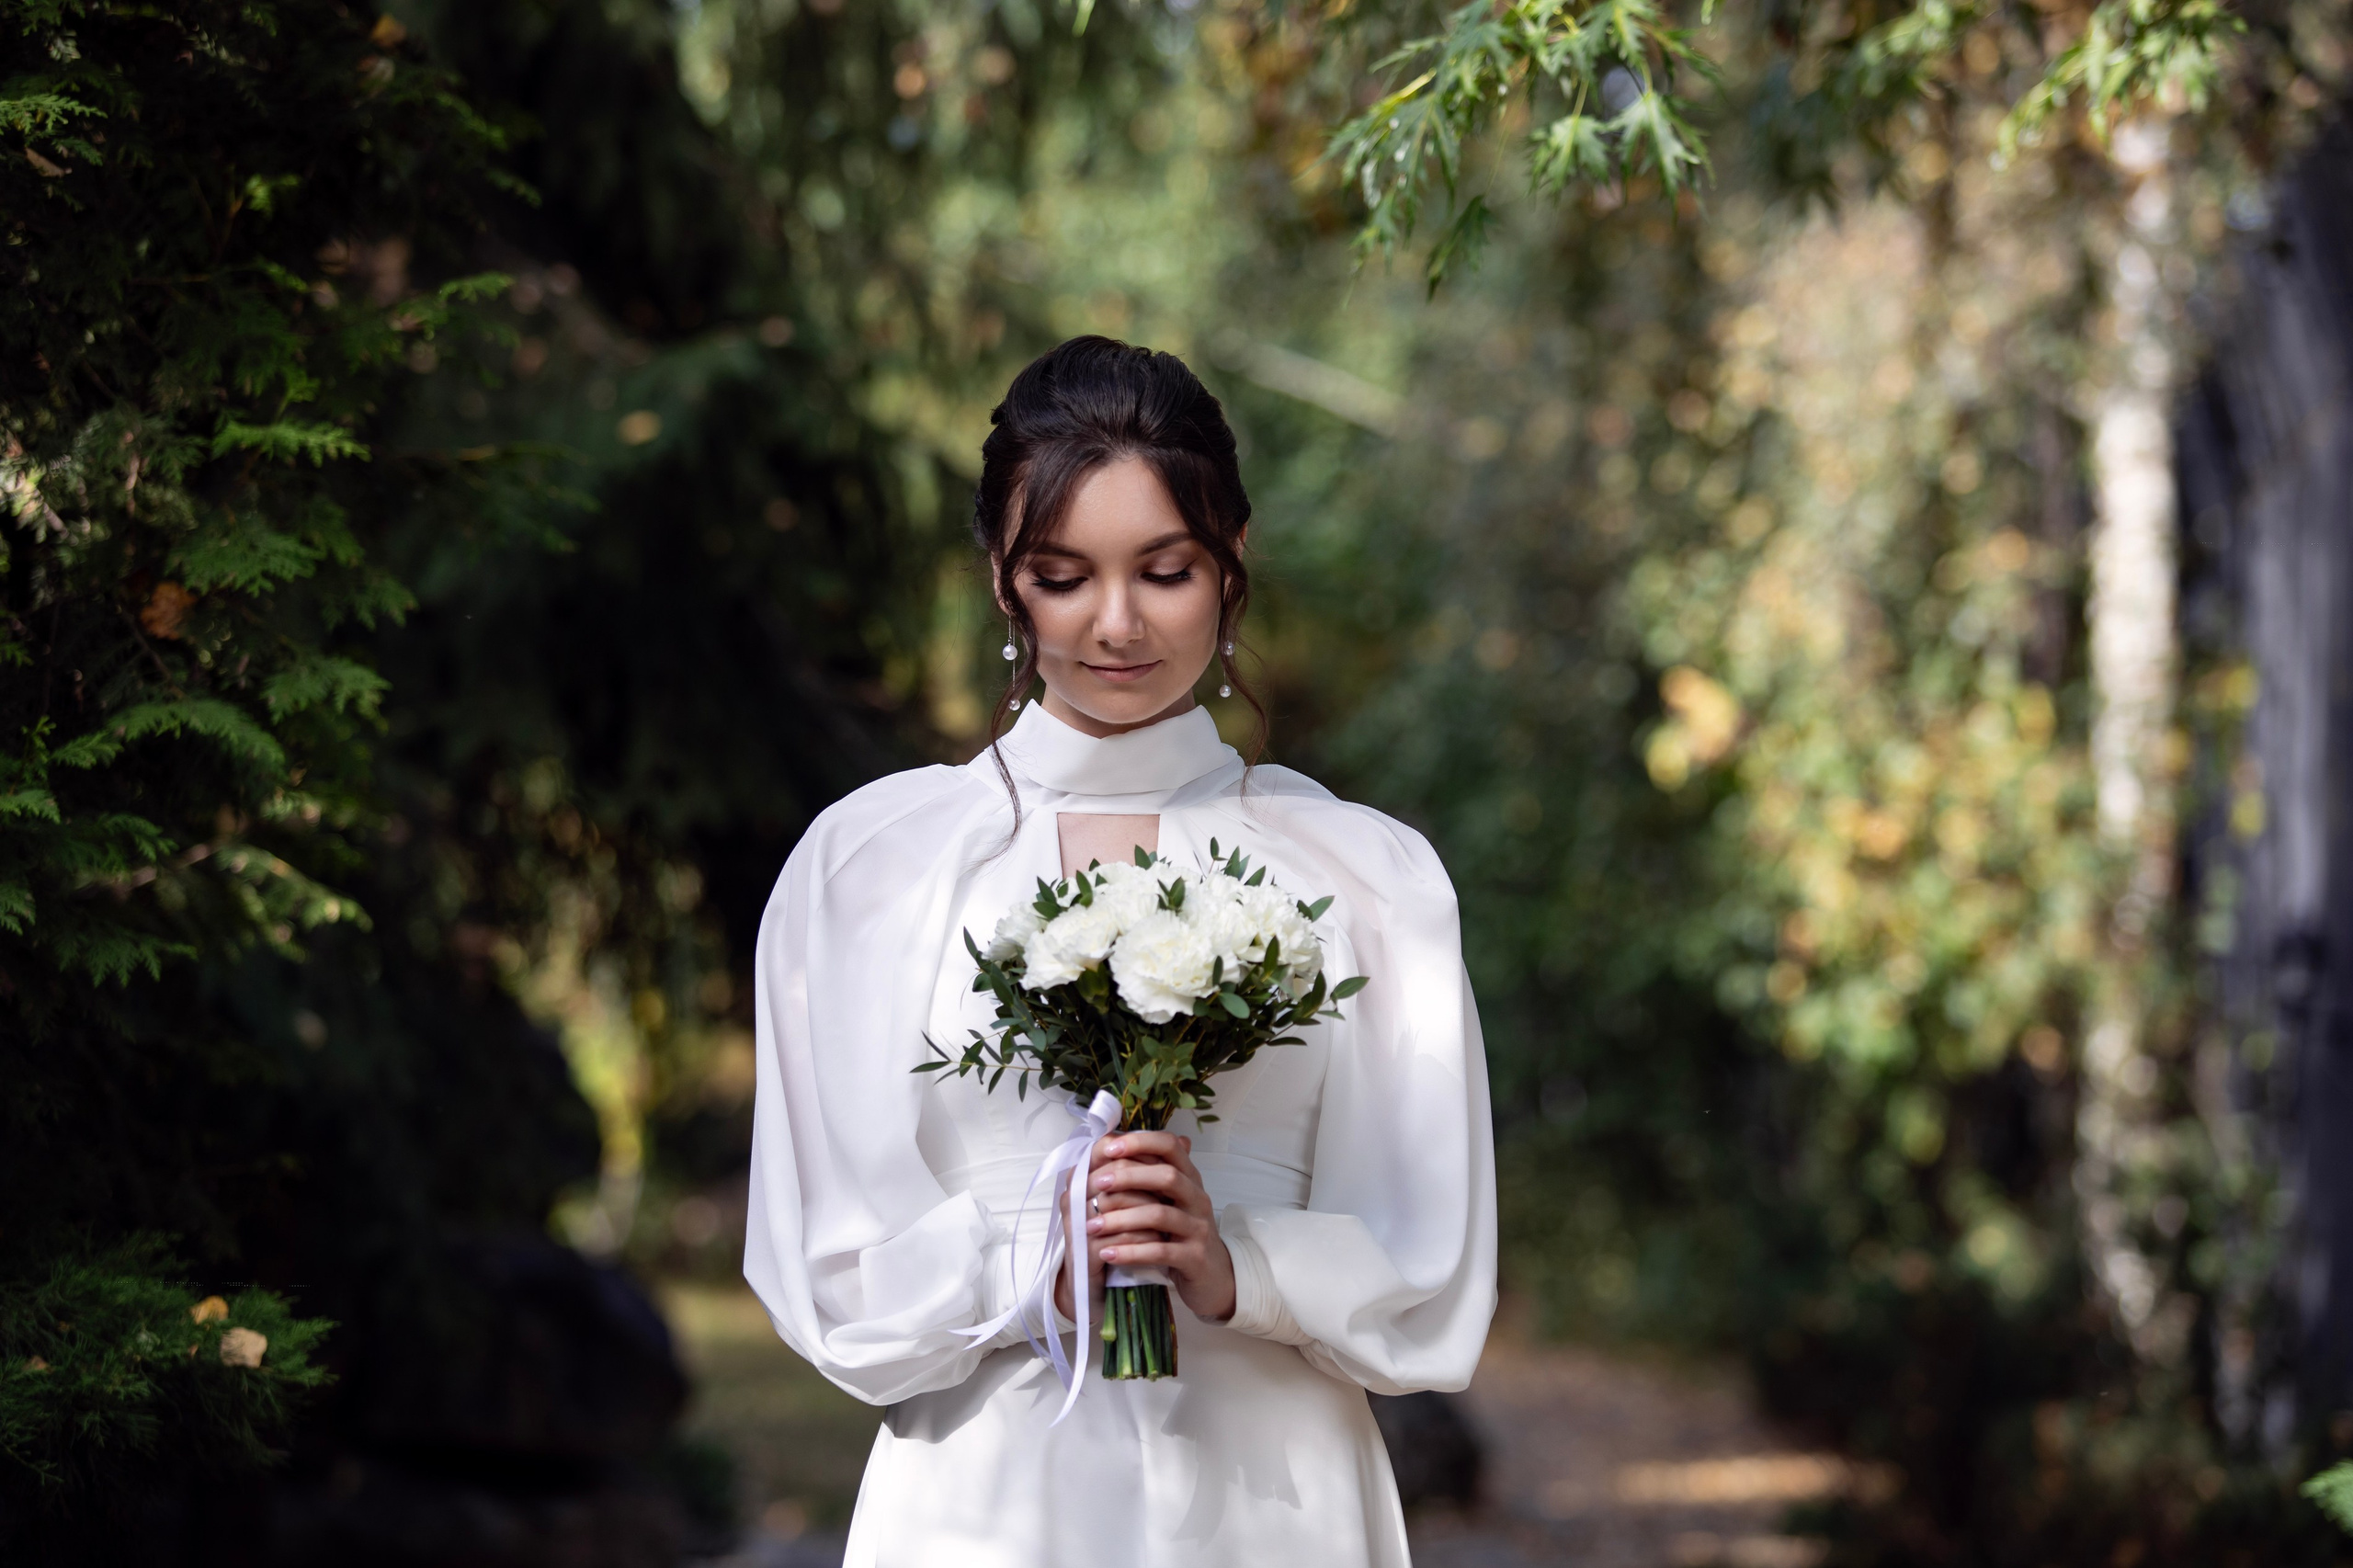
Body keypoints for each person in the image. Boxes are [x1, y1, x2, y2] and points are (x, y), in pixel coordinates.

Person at [745, 336, 1495, 1566]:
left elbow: (1430, 1262)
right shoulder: (872, 868)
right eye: (1062, 574)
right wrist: (1037, 1256)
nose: (1115, 623)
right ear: (1002, 579)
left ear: (1230, 564)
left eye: (1165, 570)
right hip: (986, 1500)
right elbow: (828, 1269)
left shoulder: (1362, 878)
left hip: (1275, 1498)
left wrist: (1237, 1260)